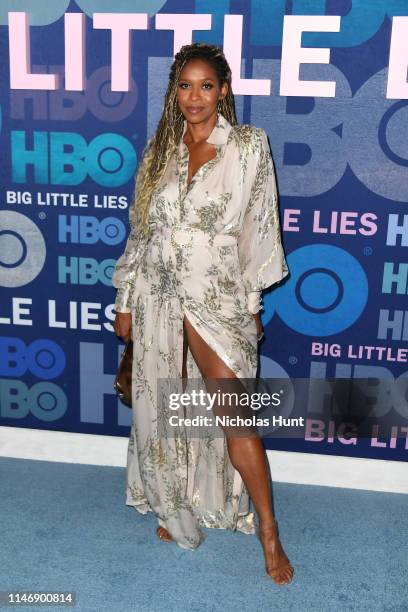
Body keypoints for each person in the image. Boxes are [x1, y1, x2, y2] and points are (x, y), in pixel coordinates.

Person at [112, 42, 293, 585]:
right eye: (184, 86)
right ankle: (179, 502)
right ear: (174, 92)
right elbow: (142, 234)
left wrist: (253, 305)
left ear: (224, 90)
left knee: (235, 420)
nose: (195, 97)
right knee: (171, 409)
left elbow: (259, 232)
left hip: (218, 302)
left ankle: (269, 532)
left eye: (206, 86)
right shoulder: (159, 154)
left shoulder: (247, 147)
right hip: (159, 297)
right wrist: (125, 300)